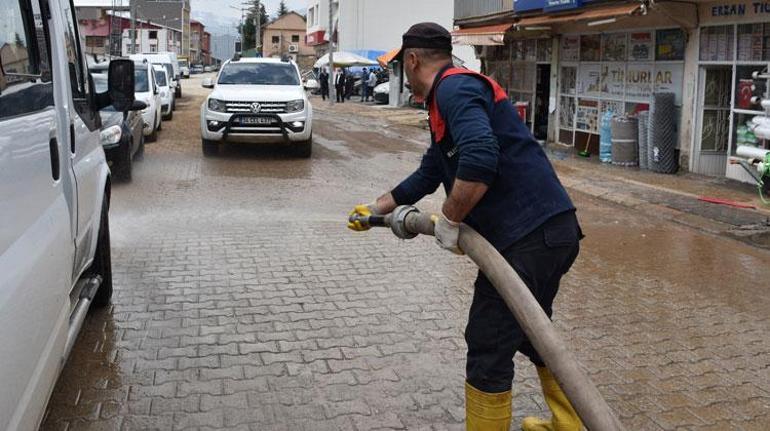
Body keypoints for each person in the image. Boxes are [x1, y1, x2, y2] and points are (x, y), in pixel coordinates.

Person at [347, 23, 582, 431]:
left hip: (527, 238)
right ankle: (569, 423)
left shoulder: (454, 90)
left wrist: (451, 220)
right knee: (532, 332)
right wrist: (375, 210)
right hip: (550, 232)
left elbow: (479, 157)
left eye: (402, 65)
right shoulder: (445, 102)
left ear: (413, 60)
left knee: (488, 344)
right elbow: (428, 175)